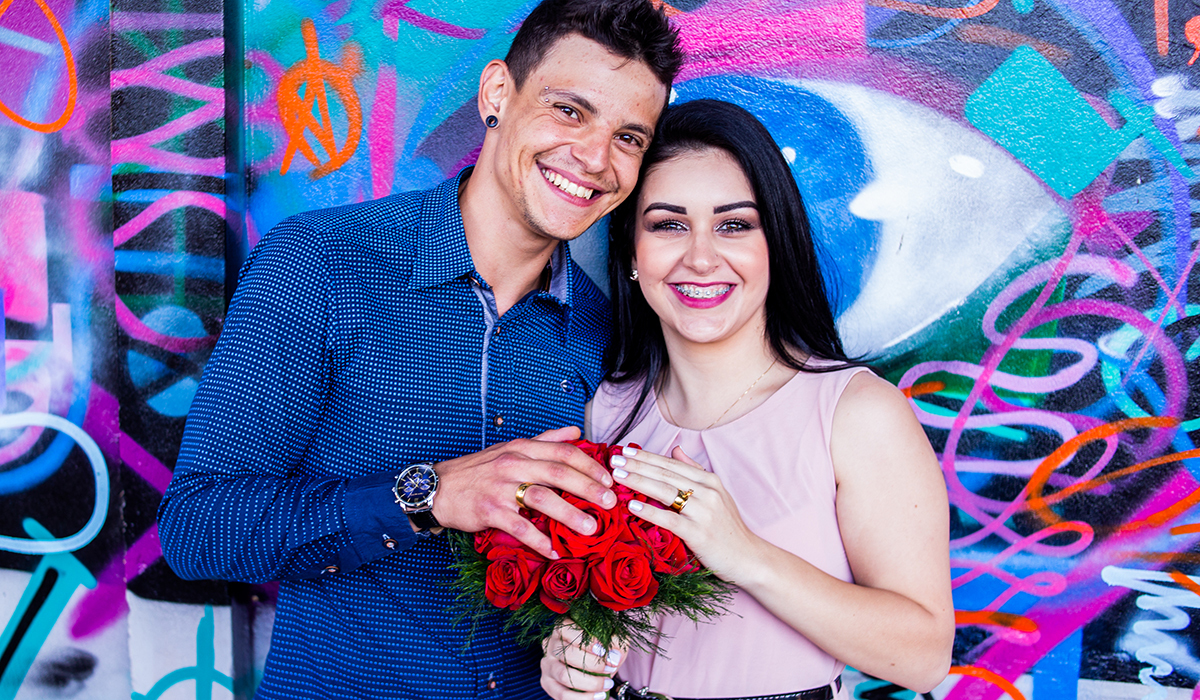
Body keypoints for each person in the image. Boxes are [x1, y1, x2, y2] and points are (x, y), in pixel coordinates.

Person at [156, 2, 683, 698]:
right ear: (497, 94)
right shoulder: (321, 265)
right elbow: (198, 529)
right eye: (569, 111)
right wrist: (427, 495)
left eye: (628, 138)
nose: (595, 158)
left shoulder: (602, 332)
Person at [539, 100, 954, 700]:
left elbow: (924, 657)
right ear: (630, 254)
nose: (701, 257)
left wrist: (745, 554)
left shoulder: (856, 413)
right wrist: (572, 663)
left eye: (734, 225)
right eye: (668, 225)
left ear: (774, 245)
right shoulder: (603, 409)